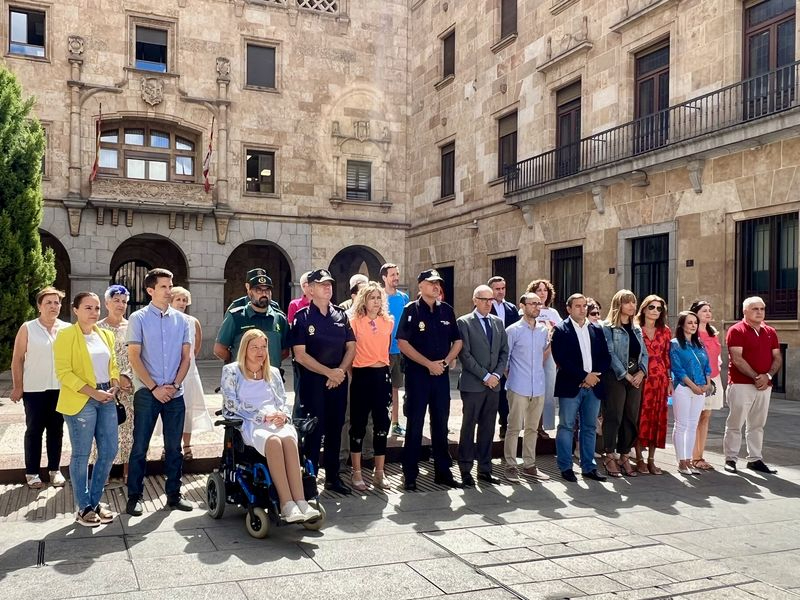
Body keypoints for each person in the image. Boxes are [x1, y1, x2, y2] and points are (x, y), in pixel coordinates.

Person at [220, 329, 320, 522]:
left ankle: (301, 501)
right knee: (274, 441)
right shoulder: (232, 371)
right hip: (251, 423)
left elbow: (282, 400)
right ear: (245, 349)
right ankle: (286, 504)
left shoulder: (272, 372)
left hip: (276, 420)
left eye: (263, 347)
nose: (260, 351)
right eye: (255, 347)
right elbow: (230, 404)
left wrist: (282, 414)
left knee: (290, 439)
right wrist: (261, 416)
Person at [125, 268, 193, 516]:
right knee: (140, 446)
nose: (170, 290)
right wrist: (154, 388)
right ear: (150, 290)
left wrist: (173, 386)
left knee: (174, 448)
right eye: (164, 286)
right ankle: (135, 497)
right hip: (147, 393)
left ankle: (174, 495)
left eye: (171, 285)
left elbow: (186, 358)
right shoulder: (138, 318)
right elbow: (134, 356)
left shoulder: (182, 320)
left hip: (175, 393)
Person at [53, 292, 119, 526]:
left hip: (107, 398)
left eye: (97, 308)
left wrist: (114, 383)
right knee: (81, 455)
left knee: (110, 451)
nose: (94, 312)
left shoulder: (106, 334)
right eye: (88, 308)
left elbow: (112, 363)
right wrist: (93, 392)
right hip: (81, 399)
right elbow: (63, 372)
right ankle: (84, 508)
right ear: (76, 310)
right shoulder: (65, 335)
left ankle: (95, 501)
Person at [290, 268, 356, 495]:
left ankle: (332, 477)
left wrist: (339, 371)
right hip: (314, 384)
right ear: (309, 289)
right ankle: (309, 479)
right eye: (321, 284)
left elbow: (351, 347)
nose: (328, 287)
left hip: (337, 382)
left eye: (329, 283)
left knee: (336, 429)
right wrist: (329, 373)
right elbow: (300, 354)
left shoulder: (341, 315)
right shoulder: (302, 317)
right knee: (313, 432)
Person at [397, 269, 463, 491]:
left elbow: (457, 341)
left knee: (441, 424)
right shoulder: (411, 310)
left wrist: (445, 362)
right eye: (431, 282)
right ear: (420, 286)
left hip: (441, 375)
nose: (436, 286)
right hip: (418, 376)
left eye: (438, 283)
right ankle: (410, 475)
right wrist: (428, 364)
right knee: (415, 425)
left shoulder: (446, 310)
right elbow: (403, 343)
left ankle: (443, 472)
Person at [10, 287, 70, 489]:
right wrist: (18, 387)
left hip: (60, 389)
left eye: (57, 302)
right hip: (34, 389)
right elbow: (17, 359)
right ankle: (32, 473)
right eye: (49, 303)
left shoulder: (67, 328)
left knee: (56, 431)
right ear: (39, 306)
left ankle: (54, 470)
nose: (54, 306)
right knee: (34, 430)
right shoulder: (28, 328)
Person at [551, 294, 611, 483]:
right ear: (568, 309)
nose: (582, 309)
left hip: (593, 386)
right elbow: (561, 359)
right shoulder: (561, 329)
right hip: (571, 385)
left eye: (584, 306)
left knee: (590, 427)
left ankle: (589, 467)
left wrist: (593, 376)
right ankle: (566, 467)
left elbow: (605, 356)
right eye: (577, 306)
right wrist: (584, 376)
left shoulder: (596, 329)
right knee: (566, 426)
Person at [456, 285, 509, 486]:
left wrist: (495, 374)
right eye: (484, 299)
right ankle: (465, 469)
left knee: (488, 427)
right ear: (475, 300)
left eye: (491, 300)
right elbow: (465, 355)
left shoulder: (498, 322)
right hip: (473, 385)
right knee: (468, 427)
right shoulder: (464, 322)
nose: (489, 303)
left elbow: (504, 351)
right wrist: (485, 375)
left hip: (493, 385)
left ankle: (485, 469)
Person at [723, 296, 781, 475]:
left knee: (757, 424)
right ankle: (731, 459)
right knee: (735, 423)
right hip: (741, 384)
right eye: (755, 309)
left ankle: (755, 459)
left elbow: (777, 357)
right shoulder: (736, 330)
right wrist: (757, 376)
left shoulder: (770, 331)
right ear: (745, 311)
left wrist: (768, 375)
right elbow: (737, 359)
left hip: (765, 385)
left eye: (762, 309)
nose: (759, 312)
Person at [347, 282, 393, 491]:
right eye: (372, 298)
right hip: (361, 374)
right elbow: (349, 351)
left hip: (381, 373)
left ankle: (379, 473)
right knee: (358, 424)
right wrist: (351, 373)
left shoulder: (388, 321)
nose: (376, 302)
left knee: (382, 423)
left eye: (378, 298)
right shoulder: (355, 321)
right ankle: (356, 472)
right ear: (363, 301)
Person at [503, 293, 550, 483]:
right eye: (533, 304)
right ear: (522, 306)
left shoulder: (543, 331)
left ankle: (529, 465)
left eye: (539, 304)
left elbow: (542, 355)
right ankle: (510, 466)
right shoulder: (512, 331)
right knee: (514, 428)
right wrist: (513, 379)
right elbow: (505, 361)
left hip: (538, 386)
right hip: (518, 386)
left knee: (532, 428)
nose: (537, 307)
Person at [601, 289, 648, 478]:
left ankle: (624, 455)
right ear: (618, 305)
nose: (632, 306)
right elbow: (610, 353)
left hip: (636, 376)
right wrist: (625, 374)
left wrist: (642, 372)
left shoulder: (637, 328)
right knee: (614, 415)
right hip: (616, 376)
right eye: (627, 302)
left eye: (633, 302)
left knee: (631, 416)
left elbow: (644, 352)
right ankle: (609, 455)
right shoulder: (608, 327)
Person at [96, 285, 134, 482]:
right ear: (107, 303)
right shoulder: (98, 328)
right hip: (105, 385)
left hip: (129, 385)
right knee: (105, 428)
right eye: (116, 300)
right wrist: (113, 379)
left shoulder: (132, 326)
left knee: (128, 427)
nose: (120, 305)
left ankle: (128, 471)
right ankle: (104, 472)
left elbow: (138, 356)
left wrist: (128, 378)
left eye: (124, 301)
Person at [170, 287, 213, 459]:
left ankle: (187, 445)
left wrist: (187, 363)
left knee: (188, 409)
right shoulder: (166, 320)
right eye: (178, 299)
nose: (181, 303)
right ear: (171, 301)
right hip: (170, 372)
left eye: (184, 300)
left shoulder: (193, 321)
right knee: (171, 411)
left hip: (189, 373)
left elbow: (197, 347)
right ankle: (170, 446)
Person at [215, 271, 289, 371]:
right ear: (250, 292)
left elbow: (284, 352)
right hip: (243, 378)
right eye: (258, 290)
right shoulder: (236, 317)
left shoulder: (280, 318)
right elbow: (219, 349)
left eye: (267, 290)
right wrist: (238, 359)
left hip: (270, 379)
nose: (264, 294)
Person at [633, 295, 672, 475]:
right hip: (640, 379)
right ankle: (639, 459)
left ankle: (651, 460)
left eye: (659, 308)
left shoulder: (665, 331)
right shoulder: (635, 329)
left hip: (660, 379)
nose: (655, 311)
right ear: (644, 309)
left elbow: (666, 356)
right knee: (640, 417)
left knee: (656, 418)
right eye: (652, 307)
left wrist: (669, 380)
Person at [669, 311, 711, 475]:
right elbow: (677, 368)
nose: (693, 326)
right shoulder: (675, 344)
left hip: (701, 389)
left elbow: (707, 365)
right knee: (682, 424)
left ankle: (689, 459)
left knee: (693, 425)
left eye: (695, 322)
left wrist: (707, 384)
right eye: (690, 322)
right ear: (682, 325)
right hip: (683, 388)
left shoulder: (699, 343)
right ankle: (682, 461)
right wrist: (693, 385)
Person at [690, 300, 724, 471]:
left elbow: (717, 358)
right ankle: (693, 457)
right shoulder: (691, 334)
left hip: (713, 379)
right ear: (695, 313)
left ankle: (699, 455)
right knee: (695, 417)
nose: (708, 313)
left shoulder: (713, 334)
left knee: (706, 417)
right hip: (698, 380)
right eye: (704, 310)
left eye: (710, 310)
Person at [526, 279, 560, 438]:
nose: (542, 293)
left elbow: (560, 333)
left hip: (550, 356)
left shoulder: (553, 313)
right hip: (531, 355)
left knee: (547, 392)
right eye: (538, 290)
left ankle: (543, 427)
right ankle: (531, 426)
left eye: (545, 290)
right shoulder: (527, 310)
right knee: (531, 392)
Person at [488, 275, 520, 440]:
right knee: (492, 394)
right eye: (497, 289)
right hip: (490, 358)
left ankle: (504, 426)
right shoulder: (484, 306)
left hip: (509, 357)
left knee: (506, 396)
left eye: (503, 288)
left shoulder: (511, 309)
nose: (500, 292)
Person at [381, 262, 409, 437]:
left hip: (400, 350)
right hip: (382, 351)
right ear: (384, 277)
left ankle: (396, 422)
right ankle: (381, 422)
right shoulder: (379, 297)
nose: (396, 278)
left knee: (396, 388)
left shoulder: (404, 298)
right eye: (392, 275)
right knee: (381, 389)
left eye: (397, 274)